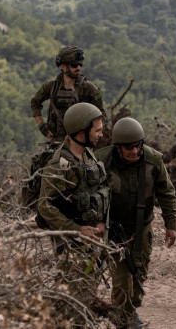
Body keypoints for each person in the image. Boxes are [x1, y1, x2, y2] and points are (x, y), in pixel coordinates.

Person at [95, 117, 176, 329]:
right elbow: (90, 196)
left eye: (138, 146)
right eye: (129, 148)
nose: (135, 151)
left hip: (142, 228)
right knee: (122, 279)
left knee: (139, 276)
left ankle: (128, 312)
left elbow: (167, 194)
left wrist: (171, 225)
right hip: (114, 229)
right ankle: (123, 320)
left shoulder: (153, 161)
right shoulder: (101, 162)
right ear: (118, 147)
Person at [35, 102, 110, 313]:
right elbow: (45, 206)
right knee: (72, 295)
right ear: (81, 131)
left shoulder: (88, 155)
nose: (101, 135)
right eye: (97, 130)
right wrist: (76, 231)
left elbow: (101, 188)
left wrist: (101, 222)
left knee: (86, 288)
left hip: (90, 237)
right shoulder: (58, 165)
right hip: (69, 241)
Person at [31, 46, 105, 142]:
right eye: (74, 65)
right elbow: (35, 102)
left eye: (80, 64)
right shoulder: (51, 87)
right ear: (63, 67)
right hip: (56, 142)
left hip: (81, 143)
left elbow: (101, 115)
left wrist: (92, 133)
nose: (78, 68)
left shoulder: (90, 89)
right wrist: (41, 125)